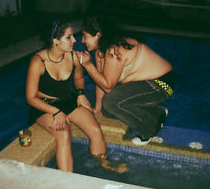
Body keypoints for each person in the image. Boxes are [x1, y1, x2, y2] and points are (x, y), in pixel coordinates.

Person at [26, 20, 127, 172]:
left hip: (68, 101)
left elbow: (79, 79)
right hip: (44, 105)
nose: (75, 40)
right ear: (55, 41)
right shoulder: (38, 61)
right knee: (64, 134)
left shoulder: (74, 57)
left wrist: (80, 94)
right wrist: (55, 112)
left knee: (95, 129)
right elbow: (31, 97)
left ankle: (103, 164)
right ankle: (68, 180)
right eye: (69, 37)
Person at [77, 15, 175, 146]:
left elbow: (108, 87)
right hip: (145, 84)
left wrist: (88, 66)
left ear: (98, 35)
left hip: (161, 84)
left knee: (111, 102)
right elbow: (100, 80)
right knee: (107, 109)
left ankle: (150, 128)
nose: (83, 40)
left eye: (85, 36)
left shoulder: (115, 49)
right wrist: (98, 108)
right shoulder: (102, 50)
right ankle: (157, 113)